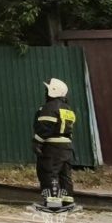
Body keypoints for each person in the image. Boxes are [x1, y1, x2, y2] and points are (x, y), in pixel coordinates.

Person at [33, 77, 77, 210]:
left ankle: (53, 203)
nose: (45, 93)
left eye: (47, 90)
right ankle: (67, 200)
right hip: (67, 147)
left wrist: (37, 142)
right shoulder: (68, 109)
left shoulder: (49, 108)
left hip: (52, 147)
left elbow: (44, 127)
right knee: (65, 175)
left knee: (49, 173)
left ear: (52, 91)